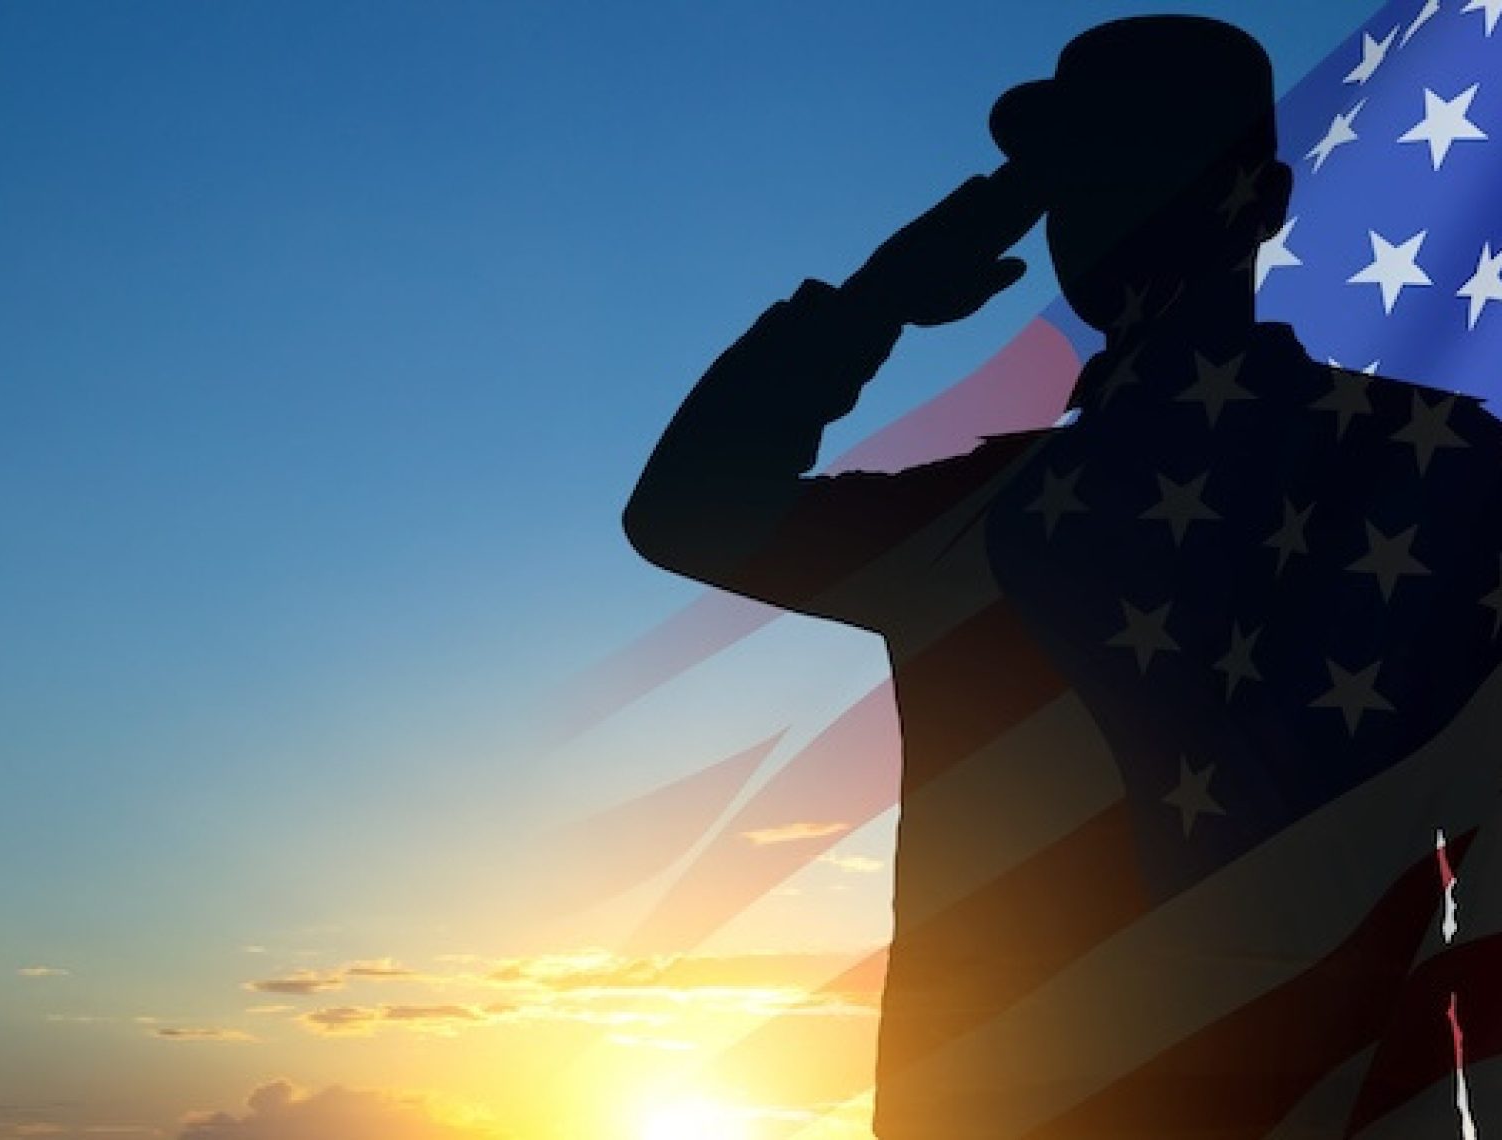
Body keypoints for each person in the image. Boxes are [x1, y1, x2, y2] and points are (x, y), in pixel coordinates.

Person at [624, 15, 1502, 1139]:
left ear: (1264, 199)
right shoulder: (1453, 469)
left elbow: (689, 508)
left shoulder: (984, 518)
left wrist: (879, 300)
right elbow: (682, 517)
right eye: (1079, 178)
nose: (1098, 207)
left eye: (1131, 168)